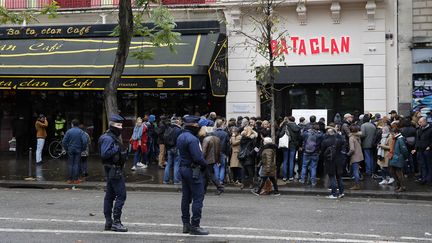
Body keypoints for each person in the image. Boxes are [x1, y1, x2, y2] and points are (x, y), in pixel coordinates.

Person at [177, 115, 209, 235]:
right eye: (197, 125)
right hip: (193, 170)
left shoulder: (181, 136)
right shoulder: (193, 139)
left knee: (186, 198)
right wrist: (205, 164)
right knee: (198, 198)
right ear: (194, 126)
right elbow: (197, 157)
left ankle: (186, 224)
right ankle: (195, 225)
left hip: (183, 169)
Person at [98, 114, 128, 232]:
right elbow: (105, 154)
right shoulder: (108, 138)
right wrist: (117, 148)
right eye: (118, 125)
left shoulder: (110, 136)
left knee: (110, 195)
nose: (120, 127)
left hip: (113, 169)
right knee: (121, 195)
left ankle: (109, 222)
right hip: (113, 169)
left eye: (121, 125)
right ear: (112, 125)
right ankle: (116, 222)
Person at [321, 126, 345, 199]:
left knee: (332, 177)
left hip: (330, 160)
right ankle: (341, 192)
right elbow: (343, 142)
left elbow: (322, 151)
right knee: (339, 177)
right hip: (339, 160)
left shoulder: (325, 141)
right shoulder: (339, 140)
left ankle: (334, 194)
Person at [62, 119, 88, 184]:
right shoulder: (81, 132)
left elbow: (64, 141)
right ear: (78, 125)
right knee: (76, 164)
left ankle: (70, 179)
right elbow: (85, 142)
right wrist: (83, 148)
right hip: (78, 149)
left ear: (72, 124)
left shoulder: (69, 131)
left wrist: (66, 148)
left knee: (70, 164)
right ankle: (76, 179)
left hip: (70, 149)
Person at [200, 125, 224, 195]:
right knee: (206, 175)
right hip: (214, 159)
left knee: (210, 174)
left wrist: (201, 160)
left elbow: (204, 152)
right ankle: (203, 190)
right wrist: (218, 160)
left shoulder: (206, 139)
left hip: (207, 160)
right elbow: (219, 151)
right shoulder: (217, 139)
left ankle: (220, 187)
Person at [388, 125, 409, 192]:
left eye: (392, 134)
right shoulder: (396, 139)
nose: (391, 135)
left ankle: (402, 186)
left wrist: (404, 157)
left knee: (399, 173)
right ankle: (399, 185)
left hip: (398, 158)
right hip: (394, 158)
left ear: (396, 133)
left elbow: (404, 150)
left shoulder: (400, 139)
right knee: (393, 172)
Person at [412, 117, 432, 185]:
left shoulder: (430, 129)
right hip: (420, 150)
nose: (419, 124)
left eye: (420, 122)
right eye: (419, 122)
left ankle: (429, 180)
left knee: (429, 165)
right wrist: (415, 148)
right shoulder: (419, 130)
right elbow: (417, 140)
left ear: (425, 122)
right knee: (422, 165)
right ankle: (424, 179)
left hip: (428, 150)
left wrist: (429, 146)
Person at [163, 117, 183, 184]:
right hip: (176, 148)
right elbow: (180, 140)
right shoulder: (179, 130)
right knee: (176, 164)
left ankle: (165, 180)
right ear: (177, 122)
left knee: (168, 164)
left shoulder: (168, 128)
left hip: (169, 148)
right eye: (180, 120)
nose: (181, 122)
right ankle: (176, 180)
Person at [212, 119, 230, 185]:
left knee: (216, 166)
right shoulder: (225, 134)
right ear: (222, 125)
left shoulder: (213, 133)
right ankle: (221, 181)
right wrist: (227, 154)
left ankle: (217, 180)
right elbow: (228, 145)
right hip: (223, 152)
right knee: (222, 166)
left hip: (215, 152)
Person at [348, 125, 363, 190]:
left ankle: (357, 185)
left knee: (355, 171)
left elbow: (352, 149)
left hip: (355, 156)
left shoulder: (351, 138)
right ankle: (357, 183)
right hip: (359, 155)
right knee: (356, 169)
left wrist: (348, 154)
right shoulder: (358, 136)